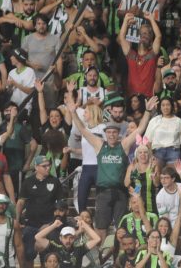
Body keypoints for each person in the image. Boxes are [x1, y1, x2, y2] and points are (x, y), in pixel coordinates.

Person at [66, 95, 158, 242]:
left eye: (114, 132)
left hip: (121, 192)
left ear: (118, 134)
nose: (111, 135)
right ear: (105, 134)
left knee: (121, 229)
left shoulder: (124, 144)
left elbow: (140, 128)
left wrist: (147, 111)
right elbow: (83, 129)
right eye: (108, 132)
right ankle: (100, 259)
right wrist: (73, 112)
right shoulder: (99, 144)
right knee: (100, 228)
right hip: (103, 192)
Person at [35, 219, 100, 268]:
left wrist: (84, 225)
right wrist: (54, 225)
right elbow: (38, 237)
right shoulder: (55, 247)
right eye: (65, 237)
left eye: (71, 238)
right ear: (60, 238)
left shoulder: (79, 249)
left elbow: (97, 239)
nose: (68, 240)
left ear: (74, 238)